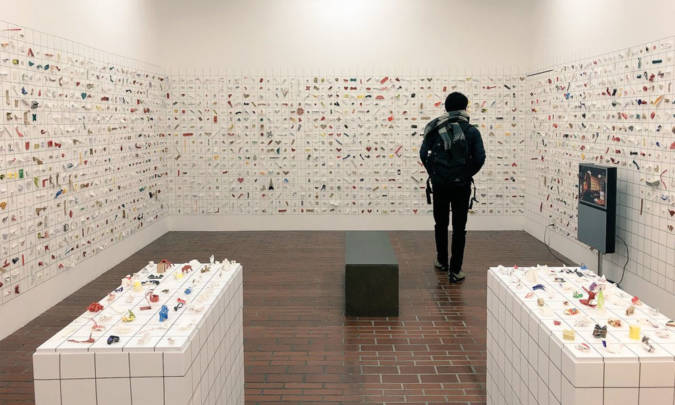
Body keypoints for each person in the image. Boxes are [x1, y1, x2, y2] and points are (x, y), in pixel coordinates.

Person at [419, 92, 485, 283]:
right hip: (461, 186)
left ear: (447, 107)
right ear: (465, 107)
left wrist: (434, 174)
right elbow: (480, 158)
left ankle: (442, 261)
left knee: (440, 224)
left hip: (440, 184)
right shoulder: (471, 131)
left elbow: (423, 154)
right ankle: (456, 269)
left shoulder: (434, 128)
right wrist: (465, 174)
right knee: (459, 227)